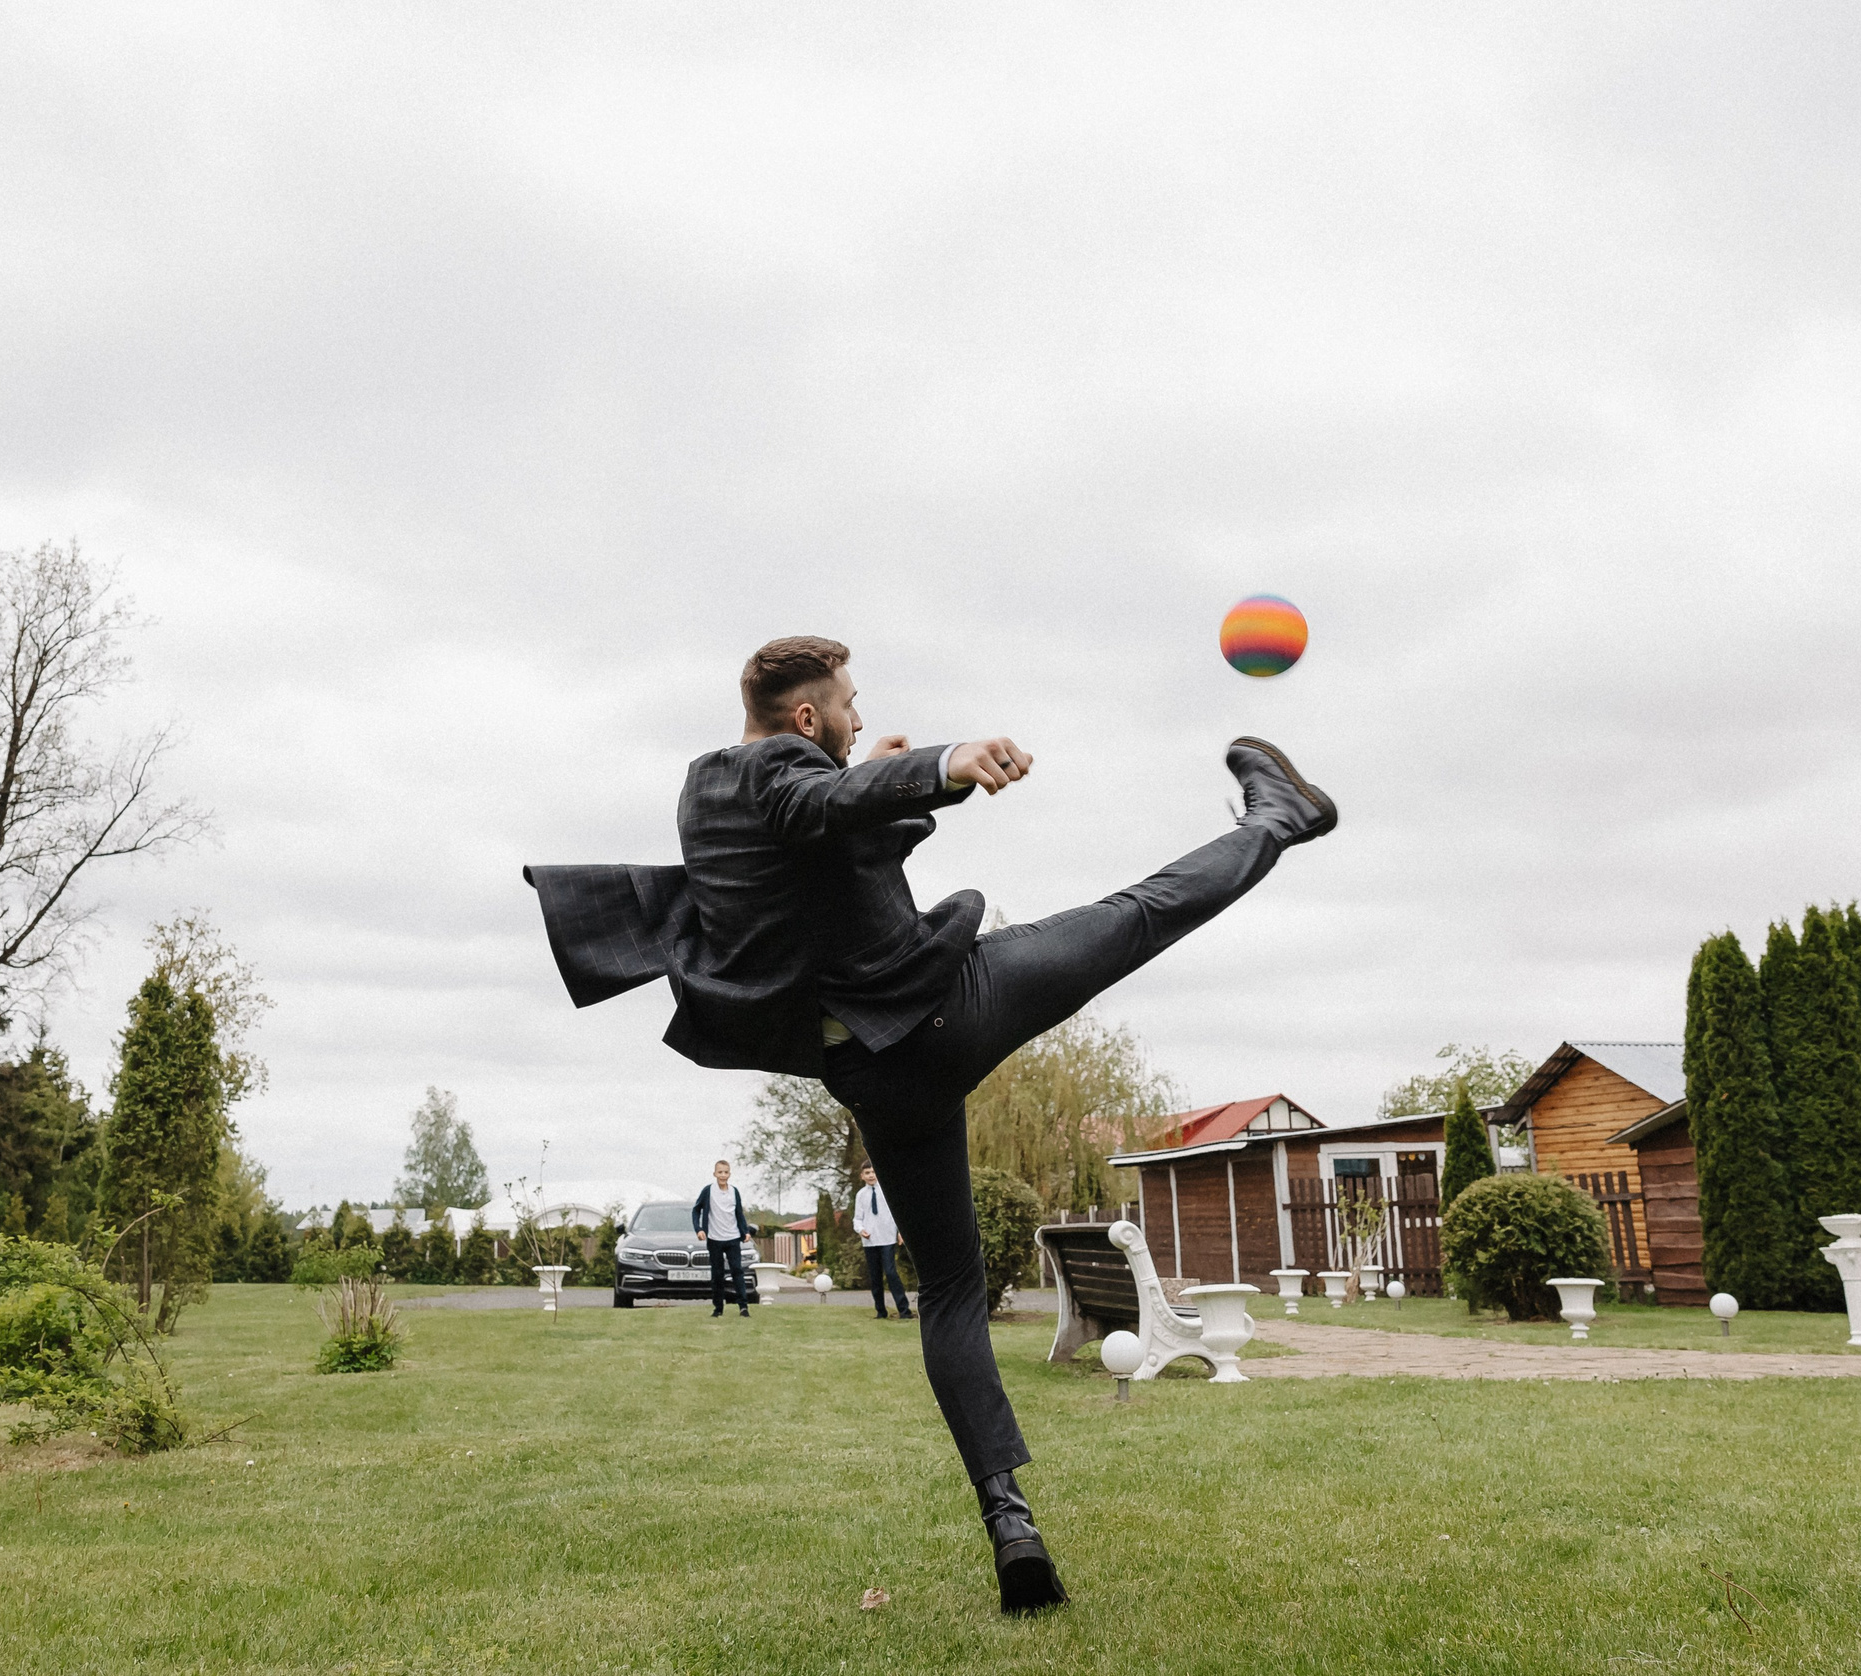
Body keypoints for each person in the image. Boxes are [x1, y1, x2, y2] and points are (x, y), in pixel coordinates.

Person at [524, 635, 1335, 1615]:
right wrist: (943, 764)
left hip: (875, 1077)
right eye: (849, 706)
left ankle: (1010, 1523)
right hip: (950, 1005)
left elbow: (818, 830)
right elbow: (811, 798)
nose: (859, 715)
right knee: (1138, 913)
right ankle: (1280, 818)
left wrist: (879, 778)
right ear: (805, 717)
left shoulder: (709, 794)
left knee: (950, 1288)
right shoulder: (781, 771)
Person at [691, 1159, 752, 1317]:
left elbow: (739, 1213)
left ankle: (743, 1307)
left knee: (737, 1271)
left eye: (726, 1172)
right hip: (714, 1239)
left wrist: (745, 1231)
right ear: (714, 1174)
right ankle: (718, 1308)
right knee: (717, 1274)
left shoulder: (734, 1191)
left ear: (729, 1174)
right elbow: (696, 1210)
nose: (723, 1175)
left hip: (732, 1238)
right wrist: (699, 1229)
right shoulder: (708, 1191)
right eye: (720, 1172)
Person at [853, 1161, 912, 1320]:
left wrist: (901, 1231)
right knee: (875, 1277)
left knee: (891, 1273)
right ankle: (880, 1311)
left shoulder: (887, 1191)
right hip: (870, 1241)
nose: (871, 1175)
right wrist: (861, 1230)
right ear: (862, 1176)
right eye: (867, 1173)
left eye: (873, 1172)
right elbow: (857, 1219)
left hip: (887, 1238)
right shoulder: (861, 1195)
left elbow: (897, 1213)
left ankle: (904, 1311)